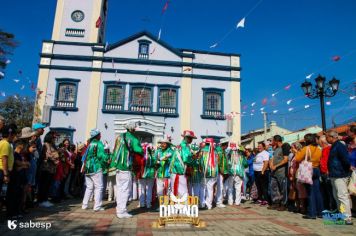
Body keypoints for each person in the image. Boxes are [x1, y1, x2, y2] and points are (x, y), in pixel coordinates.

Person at [112, 122, 143, 218]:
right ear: (133, 130)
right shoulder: (133, 139)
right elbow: (139, 150)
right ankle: (122, 211)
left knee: (120, 188)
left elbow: (115, 149)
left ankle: (119, 209)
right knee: (125, 189)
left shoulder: (119, 136)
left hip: (118, 166)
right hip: (126, 166)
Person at [326, 130, 353, 225]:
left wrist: (347, 170)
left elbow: (345, 159)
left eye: (327, 137)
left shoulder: (339, 146)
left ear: (332, 137)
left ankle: (347, 218)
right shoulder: (334, 146)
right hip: (334, 175)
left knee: (342, 196)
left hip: (340, 174)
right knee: (337, 196)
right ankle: (341, 215)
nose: (326, 139)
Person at [294, 133, 323, 220]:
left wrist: (297, 152)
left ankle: (312, 213)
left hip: (308, 170)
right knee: (317, 191)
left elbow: (298, 159)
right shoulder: (318, 149)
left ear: (307, 140)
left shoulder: (306, 148)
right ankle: (320, 212)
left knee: (310, 192)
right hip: (317, 169)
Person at [81, 129, 109, 211]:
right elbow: (101, 155)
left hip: (88, 168)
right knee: (99, 187)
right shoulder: (98, 143)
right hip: (95, 167)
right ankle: (97, 206)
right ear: (97, 135)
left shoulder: (90, 144)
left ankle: (84, 205)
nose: (101, 136)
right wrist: (107, 158)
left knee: (89, 187)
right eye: (100, 134)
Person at [7, 139, 30, 219]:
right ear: (20, 146)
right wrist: (24, 165)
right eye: (24, 146)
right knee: (13, 195)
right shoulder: (14, 154)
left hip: (21, 178)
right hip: (15, 178)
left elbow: (26, 165)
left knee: (19, 195)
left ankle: (17, 211)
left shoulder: (20, 155)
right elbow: (17, 165)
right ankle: (12, 213)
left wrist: (23, 165)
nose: (25, 148)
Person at [170, 131, 197, 197]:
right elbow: (186, 159)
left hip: (175, 171)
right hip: (180, 171)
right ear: (185, 137)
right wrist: (194, 159)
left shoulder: (180, 146)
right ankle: (184, 206)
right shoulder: (184, 146)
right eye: (189, 138)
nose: (191, 140)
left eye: (191, 138)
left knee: (176, 189)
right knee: (183, 191)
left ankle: (177, 205)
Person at [268, 135, 290, 211]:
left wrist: (276, 166)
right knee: (274, 187)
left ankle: (284, 204)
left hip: (282, 172)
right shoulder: (276, 149)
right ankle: (276, 203)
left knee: (283, 189)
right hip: (274, 173)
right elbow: (272, 158)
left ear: (276, 141)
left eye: (272, 140)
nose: (272, 142)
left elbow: (286, 159)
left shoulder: (285, 146)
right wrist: (271, 164)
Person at [38, 131, 59, 207]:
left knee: (48, 184)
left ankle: (45, 199)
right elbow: (47, 155)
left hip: (52, 169)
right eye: (54, 137)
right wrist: (55, 159)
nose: (55, 138)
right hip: (46, 168)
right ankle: (41, 200)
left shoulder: (53, 145)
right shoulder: (46, 145)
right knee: (44, 184)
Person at [318, 135, 337, 211]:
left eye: (319, 140)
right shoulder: (323, 149)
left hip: (327, 173)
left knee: (330, 193)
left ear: (322, 142)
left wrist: (328, 171)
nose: (318, 142)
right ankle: (328, 208)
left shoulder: (329, 149)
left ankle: (333, 209)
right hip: (322, 173)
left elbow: (330, 161)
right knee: (325, 192)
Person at [199, 138, 218, 210]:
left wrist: (200, 169)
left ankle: (202, 203)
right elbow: (217, 162)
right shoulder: (215, 151)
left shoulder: (203, 151)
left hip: (205, 172)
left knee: (203, 188)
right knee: (210, 188)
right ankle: (209, 205)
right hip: (214, 172)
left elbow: (201, 162)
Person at [0, 124, 17, 202]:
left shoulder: (3, 143)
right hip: (2, 171)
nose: (14, 137)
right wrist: (6, 175)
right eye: (14, 135)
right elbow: (4, 159)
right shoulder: (5, 144)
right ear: (10, 134)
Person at [137, 143, 155, 209]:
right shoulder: (153, 155)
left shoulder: (141, 156)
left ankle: (142, 203)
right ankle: (147, 203)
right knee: (148, 188)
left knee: (142, 188)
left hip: (143, 173)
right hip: (150, 173)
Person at [215, 138, 229, 208]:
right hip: (219, 172)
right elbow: (218, 162)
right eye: (227, 144)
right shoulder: (219, 151)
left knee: (217, 187)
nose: (228, 145)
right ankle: (218, 202)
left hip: (219, 171)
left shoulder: (221, 150)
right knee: (220, 187)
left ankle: (216, 200)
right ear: (225, 144)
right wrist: (222, 172)